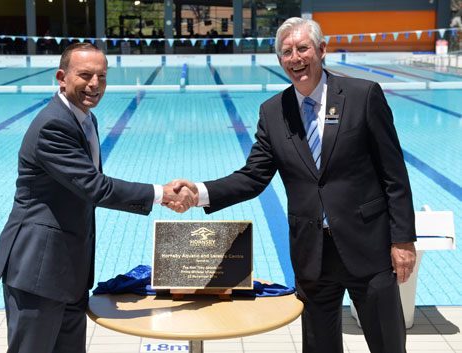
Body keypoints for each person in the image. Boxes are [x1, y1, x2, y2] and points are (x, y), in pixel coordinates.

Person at [169, 17, 416, 353]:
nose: (295, 58)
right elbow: (253, 176)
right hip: (312, 254)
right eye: (287, 52)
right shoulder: (274, 111)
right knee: (318, 347)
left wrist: (402, 240)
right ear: (280, 60)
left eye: (303, 48)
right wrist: (199, 193)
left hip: (368, 248)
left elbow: (394, 175)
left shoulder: (362, 96)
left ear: (322, 50)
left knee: (388, 345)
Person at [0, 43, 196, 353]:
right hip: (38, 269)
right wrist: (161, 194)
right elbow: (94, 187)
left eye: (101, 76)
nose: (94, 84)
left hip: (68, 270)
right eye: (85, 75)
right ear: (62, 77)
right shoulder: (54, 125)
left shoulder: (84, 119)